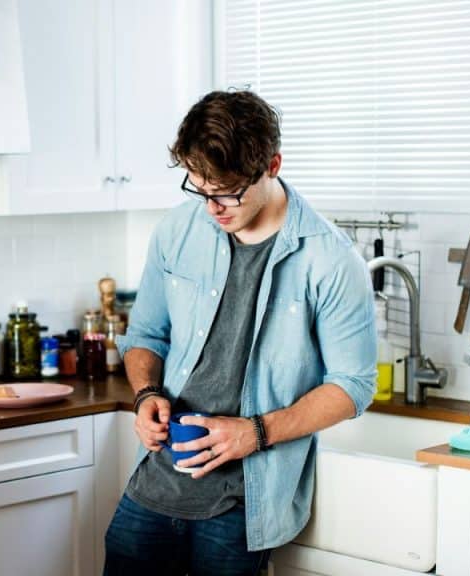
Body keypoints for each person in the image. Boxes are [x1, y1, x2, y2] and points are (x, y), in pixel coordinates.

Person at [104, 90, 377, 575]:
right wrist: (146, 393)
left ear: (272, 165)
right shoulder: (177, 230)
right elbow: (146, 334)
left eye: (227, 191)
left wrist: (255, 432)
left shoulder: (331, 260)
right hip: (157, 484)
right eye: (199, 188)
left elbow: (354, 385)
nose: (213, 207)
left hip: (242, 504)